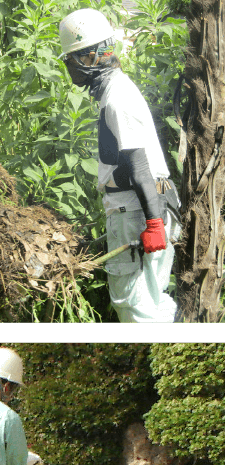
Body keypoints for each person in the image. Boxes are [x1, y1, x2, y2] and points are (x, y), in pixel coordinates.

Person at [59, 8, 182, 323]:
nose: (68, 68)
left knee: (132, 306)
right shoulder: (118, 87)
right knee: (155, 299)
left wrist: (153, 224)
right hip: (152, 204)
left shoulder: (116, 99)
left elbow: (138, 165)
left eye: (70, 60)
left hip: (137, 212)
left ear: (90, 58)